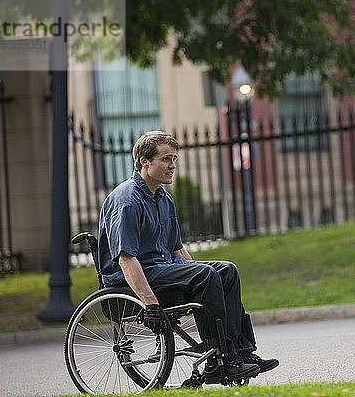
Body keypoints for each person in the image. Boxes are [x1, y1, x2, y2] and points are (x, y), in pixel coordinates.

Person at [97, 130, 278, 383]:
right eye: (166, 159)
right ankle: (218, 362)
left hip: (161, 269)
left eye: (174, 159)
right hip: (131, 279)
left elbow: (177, 250)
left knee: (226, 270)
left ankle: (241, 352)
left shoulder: (163, 198)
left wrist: (204, 276)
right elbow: (126, 259)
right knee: (205, 275)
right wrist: (150, 304)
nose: (172, 166)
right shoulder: (127, 200)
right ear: (143, 162)